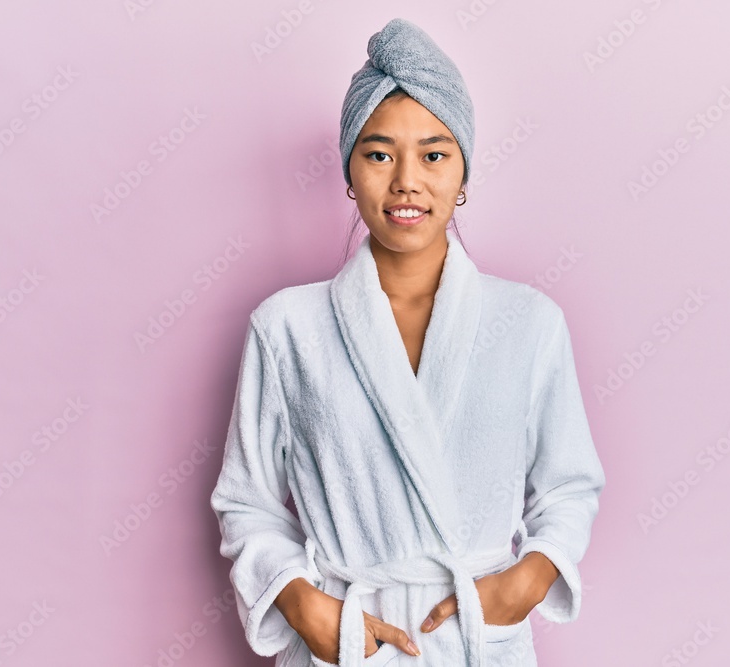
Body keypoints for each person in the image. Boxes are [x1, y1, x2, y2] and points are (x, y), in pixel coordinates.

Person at [209, 17, 606, 667]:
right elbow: (245, 499)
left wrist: (528, 577)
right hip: (350, 643)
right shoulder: (286, 328)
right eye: (378, 153)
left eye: (434, 153)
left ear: (464, 174)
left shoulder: (529, 323)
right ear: (348, 171)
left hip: (476, 638)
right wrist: (303, 603)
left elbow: (571, 483)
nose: (406, 182)